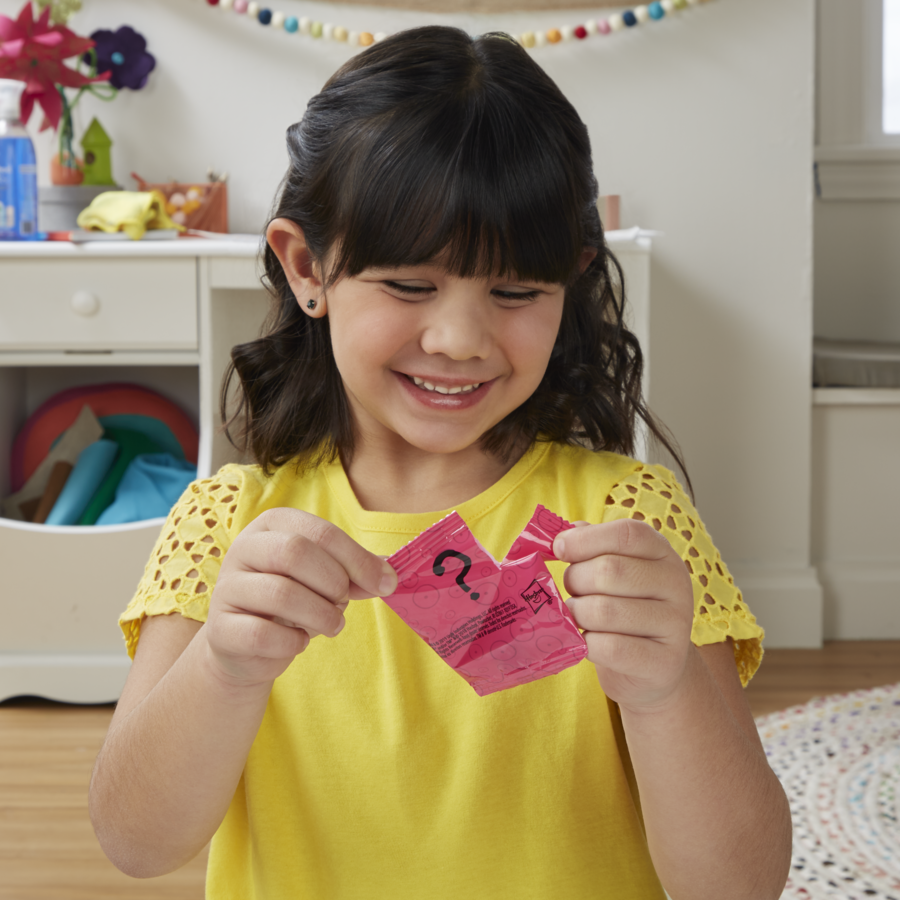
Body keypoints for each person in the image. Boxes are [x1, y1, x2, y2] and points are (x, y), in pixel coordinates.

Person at [89, 26, 791, 900]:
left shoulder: (629, 517)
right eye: (410, 286)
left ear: (569, 281)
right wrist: (224, 668)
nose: (459, 340)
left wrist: (666, 690)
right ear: (307, 267)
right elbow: (134, 841)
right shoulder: (227, 529)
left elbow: (741, 884)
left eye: (515, 292)